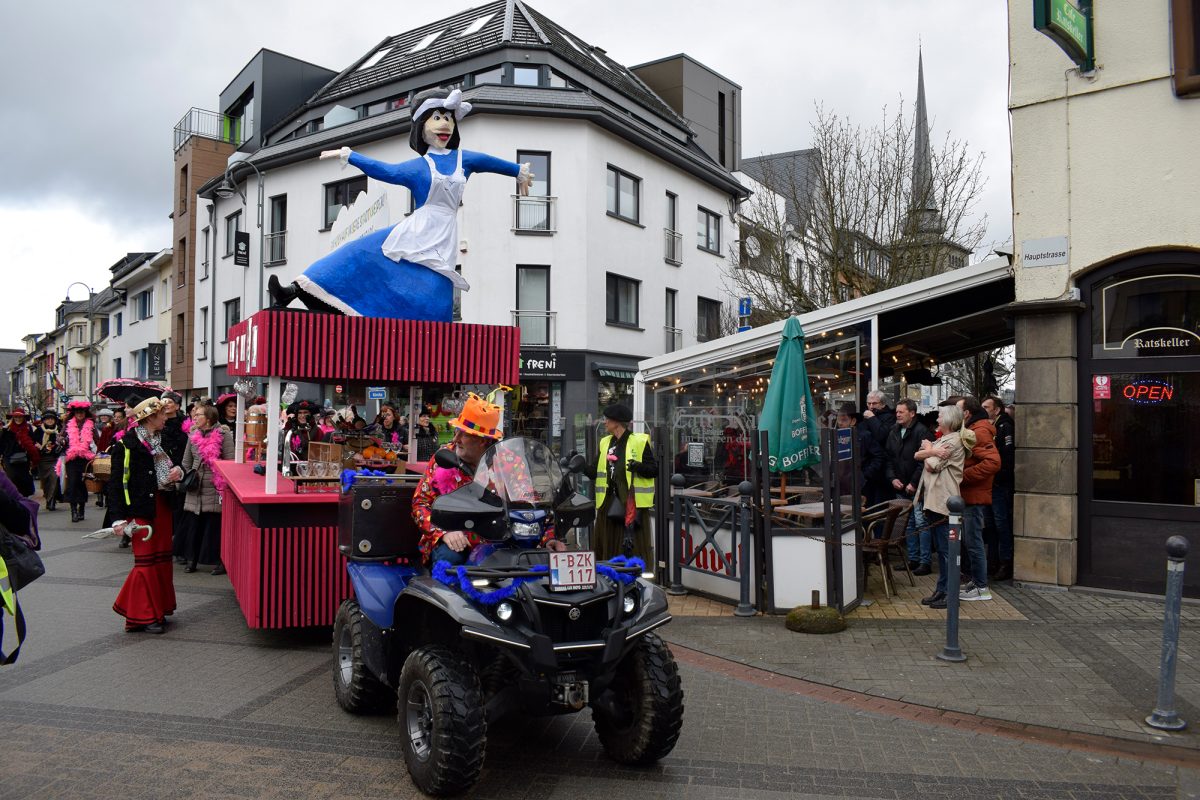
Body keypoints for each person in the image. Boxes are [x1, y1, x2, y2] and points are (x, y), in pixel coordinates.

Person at [268, 88, 533, 321]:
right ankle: (293, 290)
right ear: (422, 126)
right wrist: (351, 156)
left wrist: (518, 171)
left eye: (449, 118)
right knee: (357, 251)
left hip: (444, 232)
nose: (445, 124)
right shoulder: (419, 166)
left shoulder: (465, 159)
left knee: (437, 284)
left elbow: (492, 163)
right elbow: (386, 171)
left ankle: (434, 339)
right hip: (417, 228)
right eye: (438, 118)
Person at [411, 393, 564, 566]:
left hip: (499, 539)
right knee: (450, 558)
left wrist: (548, 538)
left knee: (526, 560)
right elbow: (420, 504)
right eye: (456, 432)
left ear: (483, 441)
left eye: (464, 434)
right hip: (455, 540)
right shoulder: (443, 458)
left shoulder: (511, 463)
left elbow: (531, 505)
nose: (455, 439)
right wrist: (443, 532)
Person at [110, 397, 183, 634]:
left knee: (161, 562)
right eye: (162, 414)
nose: (165, 417)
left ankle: (157, 610)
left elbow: (181, 461)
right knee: (144, 563)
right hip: (140, 510)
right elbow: (116, 484)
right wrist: (119, 518)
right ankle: (142, 616)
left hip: (163, 505)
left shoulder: (166, 439)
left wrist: (178, 471)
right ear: (150, 417)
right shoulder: (126, 444)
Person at [936, 395, 1000, 601]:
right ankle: (977, 581)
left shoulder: (978, 432)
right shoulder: (971, 430)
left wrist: (962, 476)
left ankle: (981, 588)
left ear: (966, 413)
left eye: (957, 409)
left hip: (973, 496)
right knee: (970, 542)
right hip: (968, 495)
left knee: (974, 542)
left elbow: (993, 462)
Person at [914, 404, 971, 609]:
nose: (937, 419)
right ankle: (941, 589)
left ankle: (950, 593)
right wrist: (931, 450)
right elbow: (917, 455)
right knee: (943, 551)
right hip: (934, 500)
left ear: (948, 420)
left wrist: (929, 450)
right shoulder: (941, 440)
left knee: (948, 553)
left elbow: (931, 464)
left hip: (945, 502)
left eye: (940, 416)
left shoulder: (953, 441)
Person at [584, 404, 658, 561]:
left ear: (616, 422)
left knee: (632, 549)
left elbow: (653, 470)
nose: (604, 423)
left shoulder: (638, 441)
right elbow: (593, 472)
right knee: (608, 550)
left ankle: (634, 581)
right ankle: (609, 578)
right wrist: (579, 465)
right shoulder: (605, 442)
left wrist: (637, 466)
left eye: (607, 420)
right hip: (608, 507)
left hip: (631, 506)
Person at [181, 404, 233, 575]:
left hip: (215, 485)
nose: (194, 417)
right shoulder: (192, 435)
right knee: (194, 526)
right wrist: (190, 475)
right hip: (196, 486)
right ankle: (192, 559)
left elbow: (230, 461)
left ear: (209, 418)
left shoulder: (224, 435)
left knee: (215, 526)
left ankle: (220, 561)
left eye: (198, 414)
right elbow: (186, 461)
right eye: (194, 414)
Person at [884, 399, 932, 575]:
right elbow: (888, 458)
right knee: (908, 523)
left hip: (917, 487)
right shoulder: (893, 431)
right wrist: (892, 478)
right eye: (896, 411)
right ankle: (912, 559)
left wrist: (914, 482)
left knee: (921, 523)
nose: (897, 414)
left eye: (901, 412)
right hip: (899, 485)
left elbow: (925, 460)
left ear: (912, 413)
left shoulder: (922, 432)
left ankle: (925, 561)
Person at [982, 395, 1015, 581]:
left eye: (987, 406)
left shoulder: (1005, 427)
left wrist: (996, 477)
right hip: (988, 485)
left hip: (998, 485)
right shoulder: (989, 427)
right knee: (991, 526)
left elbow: (1006, 457)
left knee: (1001, 525)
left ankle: (1005, 562)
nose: (984, 409)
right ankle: (992, 561)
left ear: (997, 409)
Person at [835, 403, 886, 507]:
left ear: (853, 421)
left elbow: (879, 456)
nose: (840, 423)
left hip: (859, 485)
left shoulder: (864, 436)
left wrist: (865, 474)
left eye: (844, 420)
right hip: (841, 484)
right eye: (839, 420)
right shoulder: (835, 436)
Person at [61, 400, 97, 522]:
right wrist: (61, 440)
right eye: (77, 412)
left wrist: (100, 453)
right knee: (72, 483)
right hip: (72, 458)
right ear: (74, 414)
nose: (80, 414)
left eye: (82, 412)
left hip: (85, 459)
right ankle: (73, 511)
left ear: (85, 413)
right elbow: (60, 437)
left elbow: (98, 440)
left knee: (82, 484)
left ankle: (81, 509)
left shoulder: (91, 425)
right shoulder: (68, 425)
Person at [1, 407, 39, 498]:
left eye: (20, 417)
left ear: (23, 418)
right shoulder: (7, 429)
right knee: (12, 477)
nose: (18, 419)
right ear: (13, 418)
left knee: (24, 479)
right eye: (16, 417)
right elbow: (2, 443)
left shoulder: (28, 428)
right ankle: (13, 497)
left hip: (24, 457)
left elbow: (33, 442)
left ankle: (23, 498)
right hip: (9, 457)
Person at [32, 410, 64, 510]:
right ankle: (48, 497)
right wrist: (38, 446)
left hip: (55, 459)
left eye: (52, 419)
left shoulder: (59, 430)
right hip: (42, 460)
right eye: (47, 419)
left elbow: (64, 442)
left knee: (54, 478)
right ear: (44, 420)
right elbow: (33, 442)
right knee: (45, 481)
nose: (50, 421)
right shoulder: (39, 431)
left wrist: (61, 444)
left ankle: (52, 501)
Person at [280, 400, 319, 464]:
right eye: (300, 413)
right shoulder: (289, 428)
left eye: (305, 413)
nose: (302, 415)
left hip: (312, 465)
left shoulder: (317, 430)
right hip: (291, 464)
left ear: (310, 415)